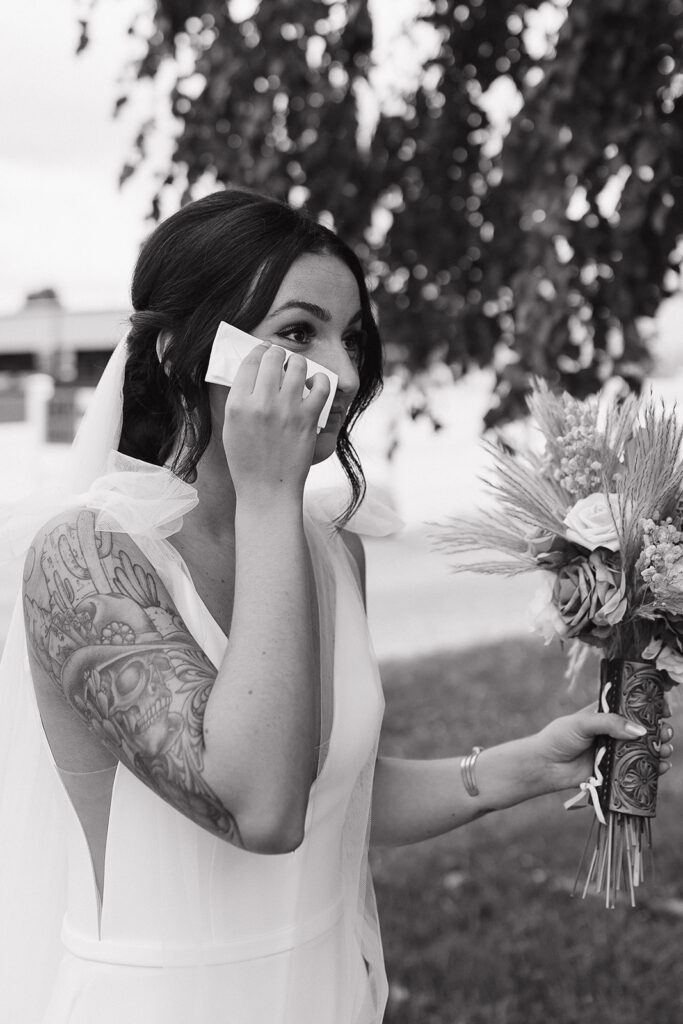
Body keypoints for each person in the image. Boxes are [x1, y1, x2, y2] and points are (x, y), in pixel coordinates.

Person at [0, 187, 673, 1024]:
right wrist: (270, 493)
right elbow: (263, 807)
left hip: (321, 993)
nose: (347, 375)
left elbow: (333, 792)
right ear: (186, 352)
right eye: (295, 334)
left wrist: (527, 765)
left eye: (349, 336)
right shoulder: (83, 558)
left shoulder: (329, 551)